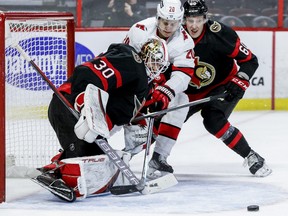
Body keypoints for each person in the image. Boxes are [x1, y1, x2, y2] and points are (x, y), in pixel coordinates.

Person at [33, 37, 170, 201]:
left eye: (160, 64)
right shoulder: (132, 62)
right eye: (154, 61)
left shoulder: (144, 83)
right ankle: (56, 176)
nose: (157, 67)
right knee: (81, 158)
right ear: (145, 56)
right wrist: (83, 99)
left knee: (100, 162)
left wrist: (140, 124)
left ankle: (54, 167)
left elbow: (123, 108)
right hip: (70, 106)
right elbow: (88, 72)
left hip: (91, 123)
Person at [146, 0, 272, 177]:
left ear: (206, 18)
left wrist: (240, 80)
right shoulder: (172, 37)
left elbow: (251, 60)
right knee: (160, 121)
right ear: (182, 20)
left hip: (221, 87)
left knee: (213, 120)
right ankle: (148, 158)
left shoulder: (220, 34)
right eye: (190, 20)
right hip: (187, 93)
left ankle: (251, 156)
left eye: (198, 20)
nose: (194, 25)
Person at [122, 0, 196, 178]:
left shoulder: (184, 42)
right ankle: (87, 151)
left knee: (181, 101)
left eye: (174, 23)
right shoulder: (140, 30)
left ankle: (159, 156)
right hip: (131, 83)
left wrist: (165, 91)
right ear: (157, 18)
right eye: (165, 22)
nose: (169, 27)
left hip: (157, 85)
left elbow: (183, 75)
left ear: (180, 21)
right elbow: (122, 59)